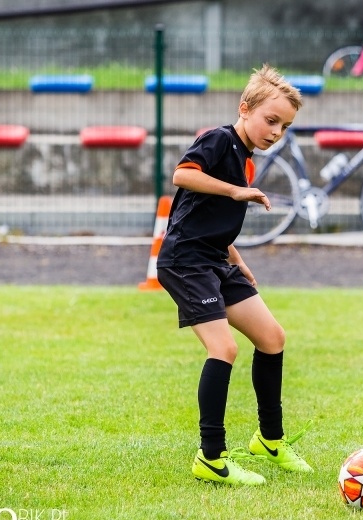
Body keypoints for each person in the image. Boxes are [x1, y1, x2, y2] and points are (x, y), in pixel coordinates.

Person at [156, 64, 312, 486]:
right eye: (271, 120)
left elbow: (207, 219)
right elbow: (182, 175)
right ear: (245, 108)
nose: (276, 132)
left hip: (215, 259)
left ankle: (270, 440)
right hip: (186, 262)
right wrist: (235, 190)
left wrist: (237, 259)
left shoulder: (246, 160)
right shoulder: (219, 140)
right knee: (223, 348)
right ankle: (211, 457)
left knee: (272, 338)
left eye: (285, 126)